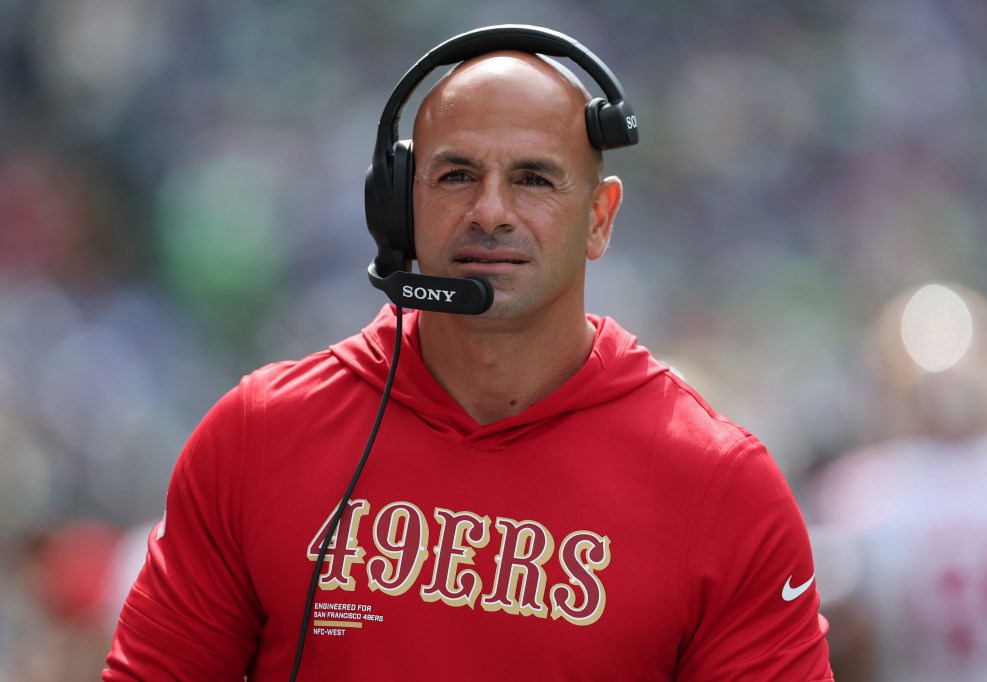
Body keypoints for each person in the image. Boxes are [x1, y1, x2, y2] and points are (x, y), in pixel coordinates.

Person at [103, 26, 833, 681]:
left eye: (533, 179)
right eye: (456, 176)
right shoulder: (256, 437)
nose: (490, 210)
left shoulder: (722, 488)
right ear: (397, 207)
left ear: (599, 219)